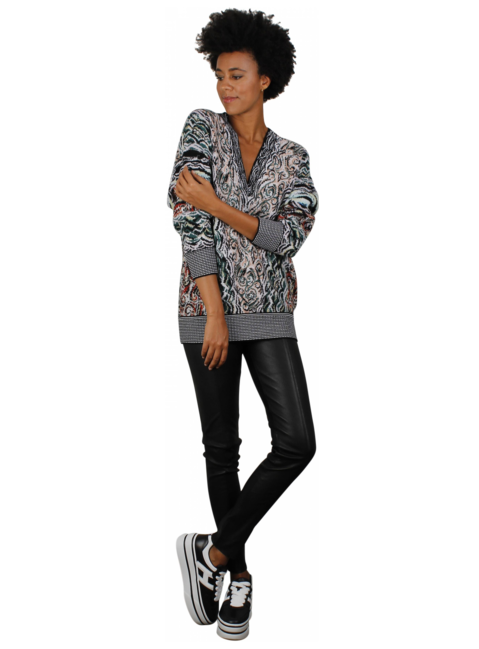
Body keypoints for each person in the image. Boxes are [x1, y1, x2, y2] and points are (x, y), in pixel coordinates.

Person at [167, 9, 319, 641]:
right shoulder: (201, 127)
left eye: (237, 75)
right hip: (205, 312)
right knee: (222, 448)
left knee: (297, 442)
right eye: (220, 75)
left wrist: (216, 202)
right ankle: (237, 579)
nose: (224, 86)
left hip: (271, 311)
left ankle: (212, 551)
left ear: (265, 79)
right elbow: (188, 220)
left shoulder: (293, 157)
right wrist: (215, 314)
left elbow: (288, 238)